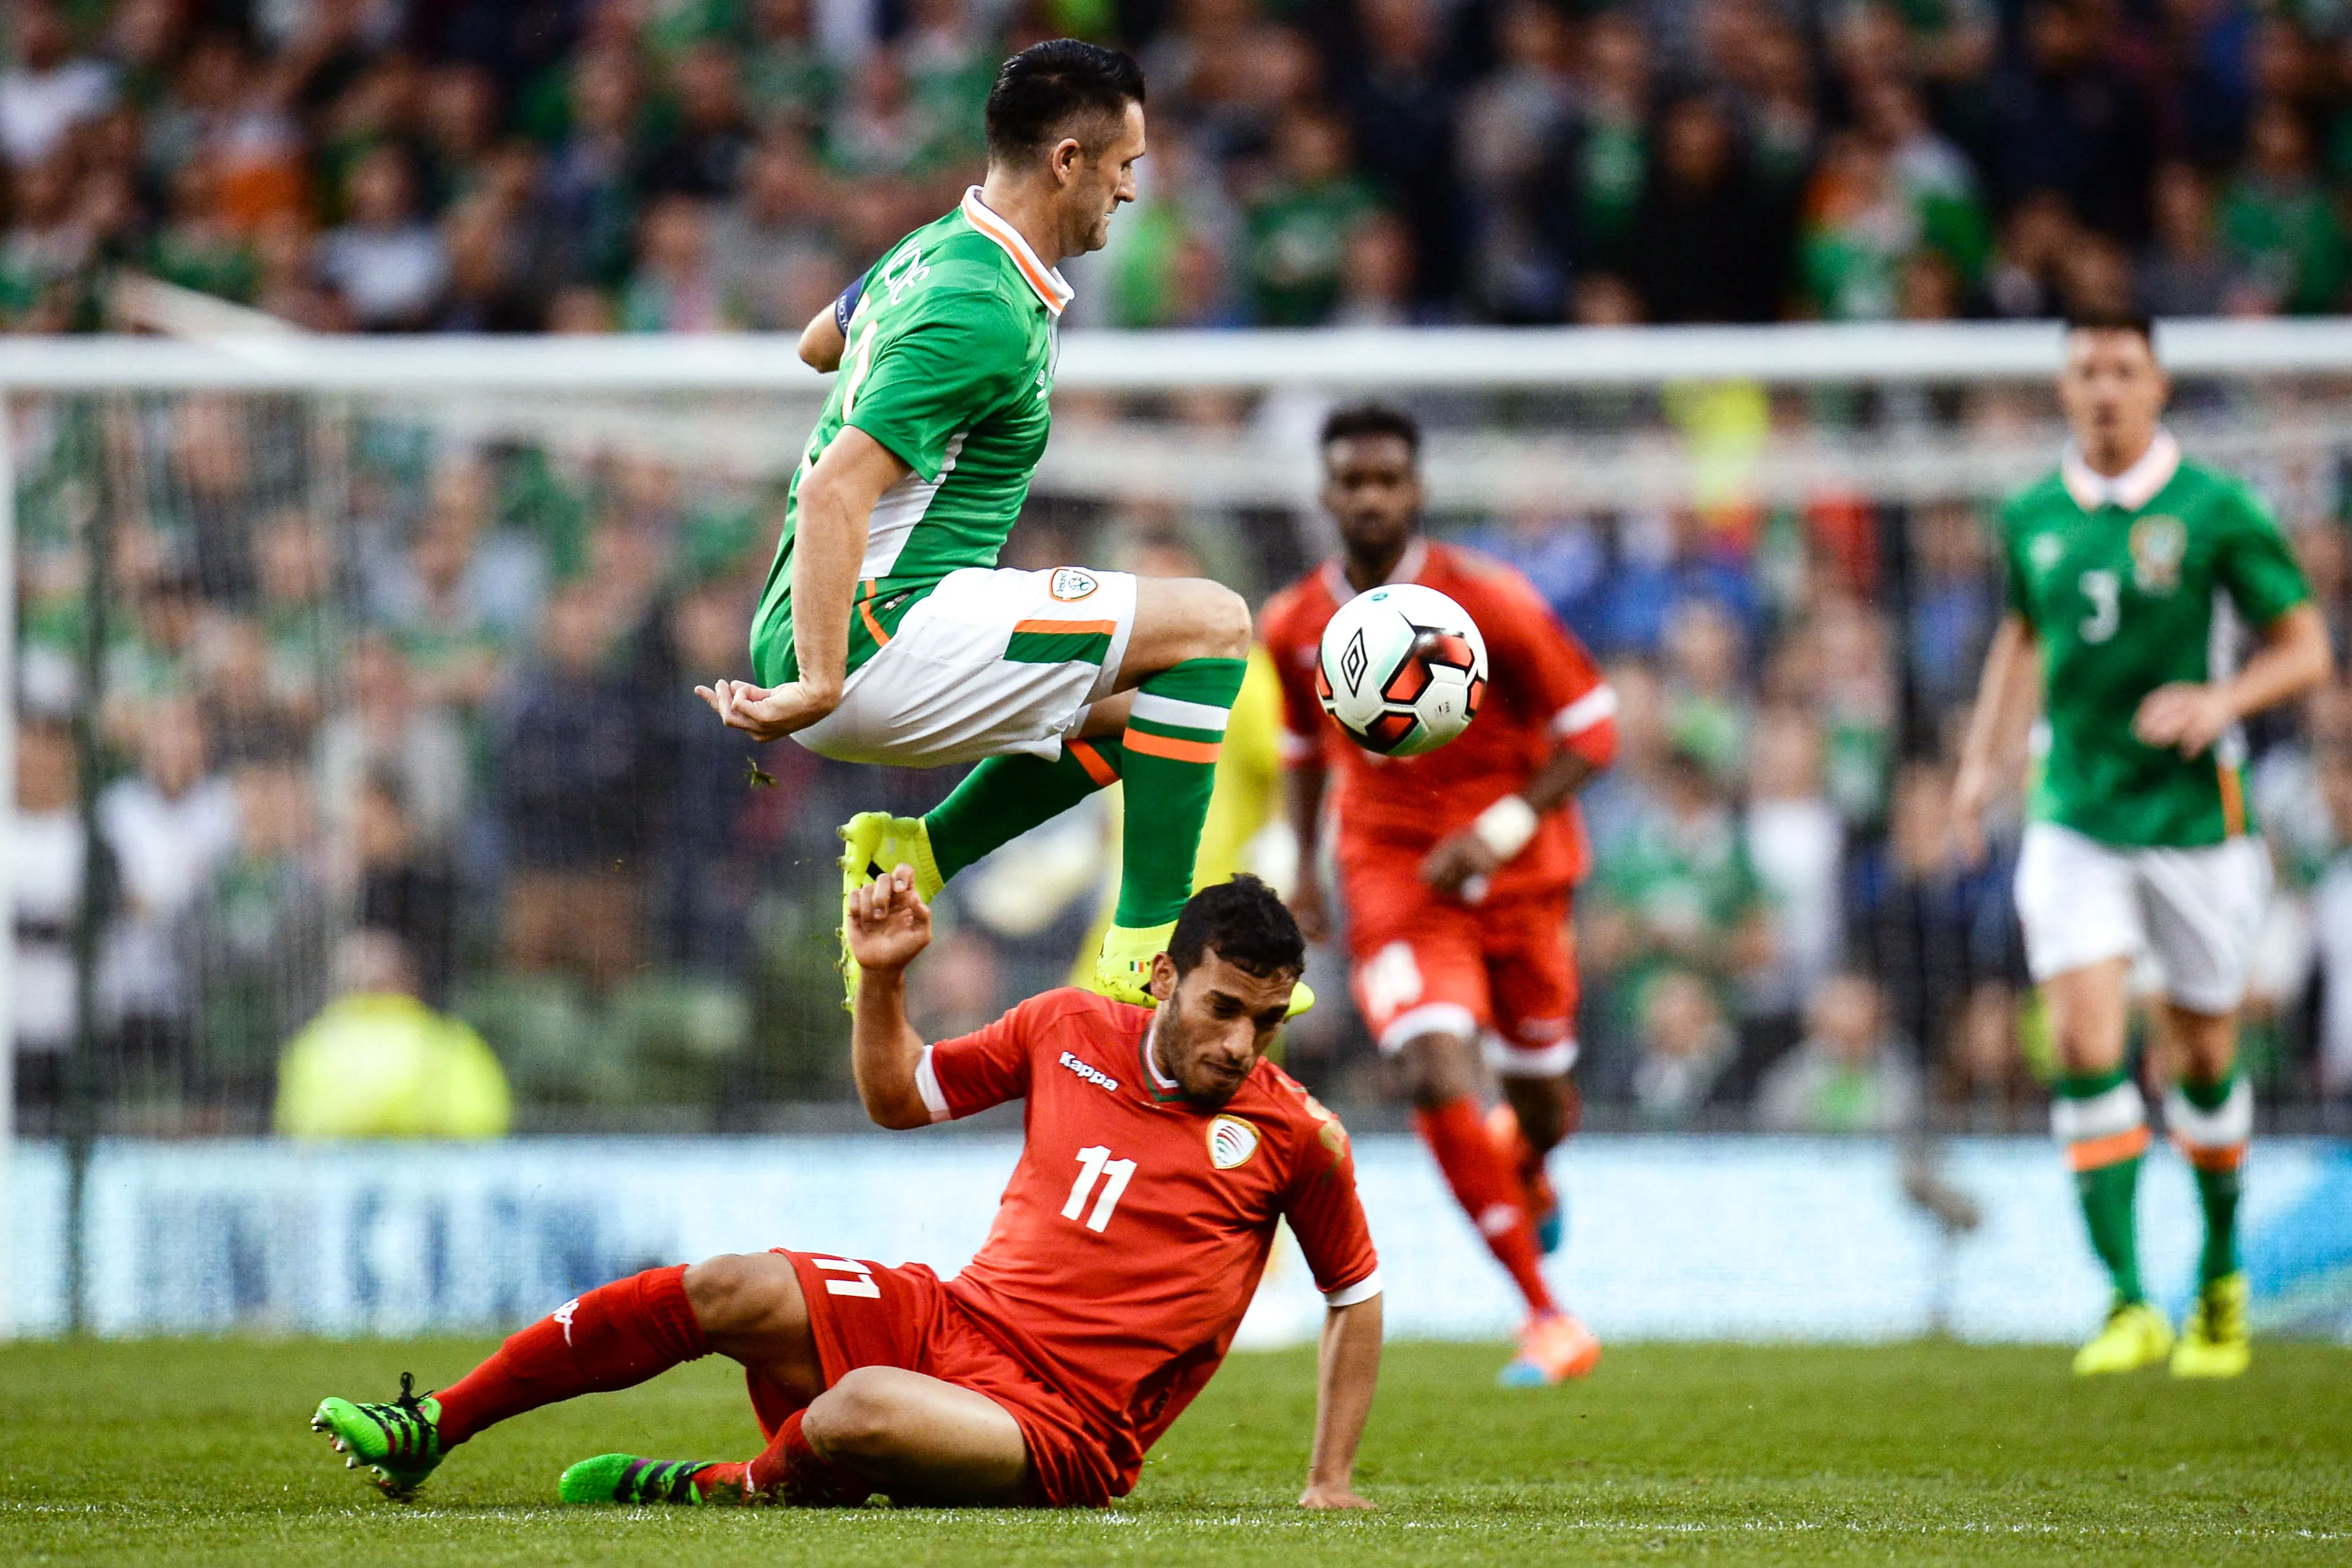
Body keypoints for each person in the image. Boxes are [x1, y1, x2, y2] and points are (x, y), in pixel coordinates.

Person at [310, 875, 1381, 1509]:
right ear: (1163, 979)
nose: (1239, 1042)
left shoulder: (1298, 1135)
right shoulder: (1066, 1026)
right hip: (960, 1318)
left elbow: (1353, 1291)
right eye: (1221, 1007)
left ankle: (718, 1486)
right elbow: (900, 1097)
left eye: (1264, 1021)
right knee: (729, 1285)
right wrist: (883, 979)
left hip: (1065, 1426)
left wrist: (1328, 1477)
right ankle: (432, 1425)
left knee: (855, 1410)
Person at [696, 40, 1270, 1013]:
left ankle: (917, 853)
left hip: (849, 617)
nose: (1130, 191)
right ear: (1066, 163)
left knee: (1167, 720)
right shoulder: (978, 305)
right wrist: (820, 682)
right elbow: (839, 488)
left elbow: (816, 343)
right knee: (1214, 626)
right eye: (1124, 166)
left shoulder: (931, 252)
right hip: (875, 632)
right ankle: (1146, 954)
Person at [1952, 309, 2334, 1379]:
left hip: (2194, 823)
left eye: (2123, 370)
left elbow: (2303, 648)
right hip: (2073, 810)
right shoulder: (2030, 514)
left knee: (2202, 1056)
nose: (2104, 389)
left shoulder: (2215, 511)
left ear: (2158, 385)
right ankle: (2124, 1297)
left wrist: (2224, 700)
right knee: (2081, 1041)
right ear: (2063, 389)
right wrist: (1982, 761)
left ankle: (2217, 1275)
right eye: (2085, 372)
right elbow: (2021, 635)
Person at [1261, 403, 1618, 1386]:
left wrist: (1497, 830)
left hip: (1521, 880)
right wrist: (1302, 866)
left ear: (1415, 490)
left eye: (1387, 481)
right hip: (1393, 879)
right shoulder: (1294, 625)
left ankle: (1529, 1161)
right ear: (1327, 493)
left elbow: (1593, 730)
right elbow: (1299, 749)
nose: (1369, 498)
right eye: (1351, 481)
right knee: (1427, 1065)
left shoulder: (1489, 603)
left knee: (1541, 1104)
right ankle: (1544, 1315)